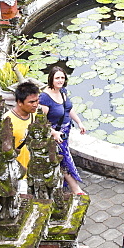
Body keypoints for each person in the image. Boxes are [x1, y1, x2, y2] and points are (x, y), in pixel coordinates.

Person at [39, 66, 87, 195]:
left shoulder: (63, 91)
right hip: (55, 134)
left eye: (62, 77)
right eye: (57, 78)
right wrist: (53, 132)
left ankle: (61, 181)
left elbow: (68, 108)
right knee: (64, 159)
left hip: (66, 131)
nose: (60, 80)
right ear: (51, 79)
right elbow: (40, 121)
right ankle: (76, 189)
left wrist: (79, 122)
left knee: (62, 157)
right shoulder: (45, 98)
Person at [4, 81, 57, 194]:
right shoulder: (7, 121)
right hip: (20, 175)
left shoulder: (35, 114)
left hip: (37, 170)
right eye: (31, 102)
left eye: (37, 100)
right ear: (19, 102)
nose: (35, 104)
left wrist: (53, 132)